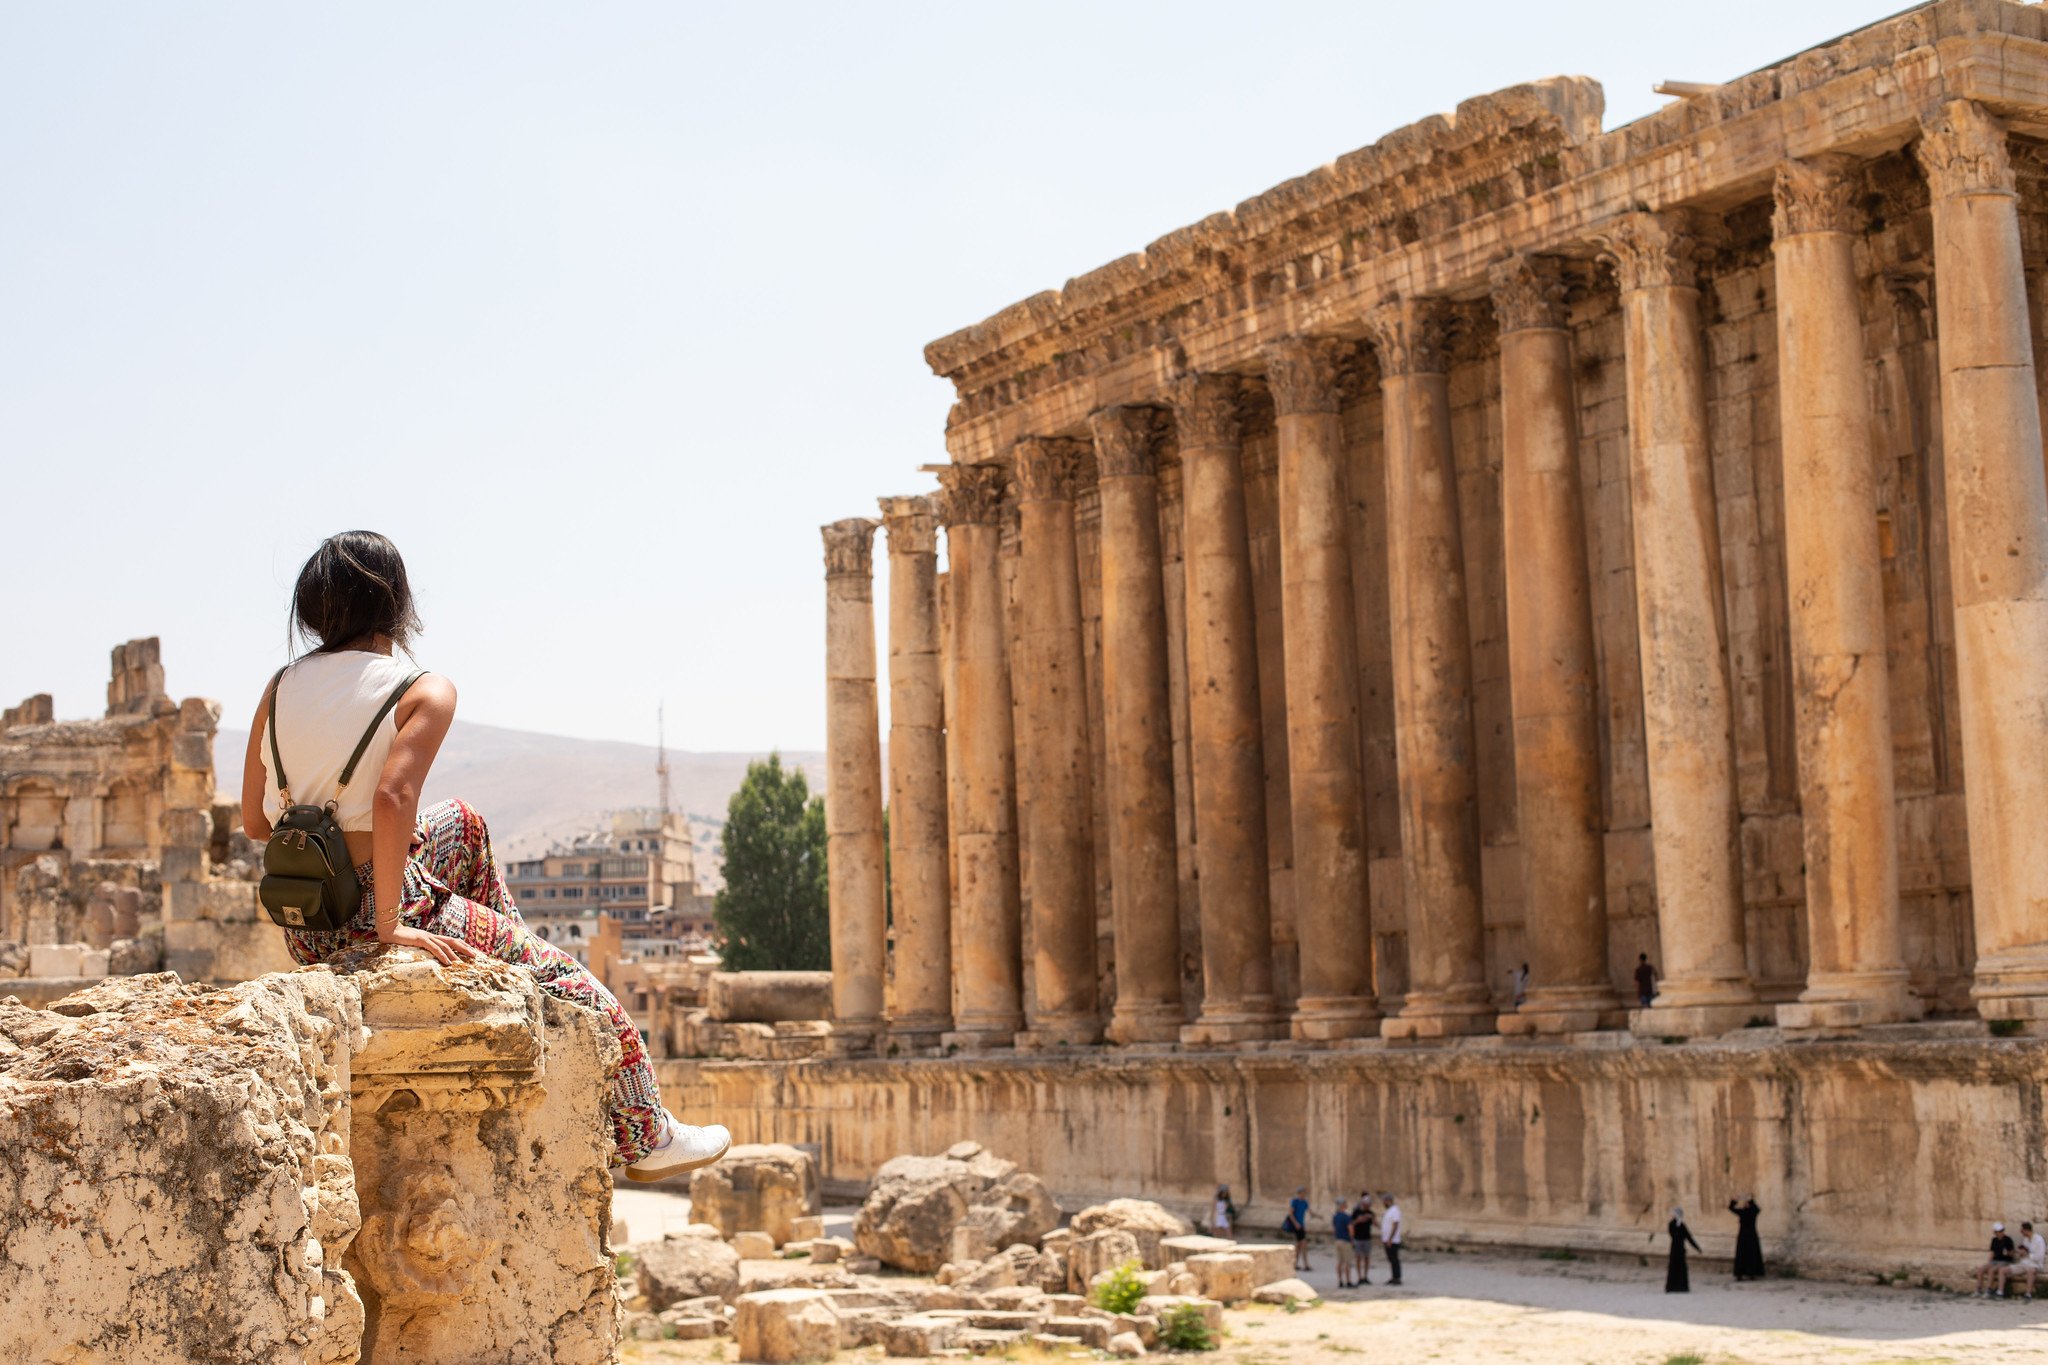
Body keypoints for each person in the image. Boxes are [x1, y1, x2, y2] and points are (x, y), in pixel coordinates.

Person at [242, 531, 730, 1183]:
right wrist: (390, 923)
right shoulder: (421, 689)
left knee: (462, 821)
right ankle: (647, 1136)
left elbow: (255, 820)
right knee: (585, 992)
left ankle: (507, 942)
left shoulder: (277, 689)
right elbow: (392, 796)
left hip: (305, 923)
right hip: (372, 912)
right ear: (396, 603)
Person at [1728, 1195, 1765, 1281]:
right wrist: (1751, 1200)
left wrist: (1735, 1201)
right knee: (1750, 1255)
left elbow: (1731, 1208)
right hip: (1751, 1236)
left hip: (1744, 1236)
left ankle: (1744, 1274)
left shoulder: (1744, 1212)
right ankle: (1750, 1274)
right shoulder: (1750, 1212)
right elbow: (1757, 1209)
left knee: (1743, 1255)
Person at [1978, 1222, 2018, 1297]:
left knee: (1991, 1270)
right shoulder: (1994, 1240)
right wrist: (1989, 1262)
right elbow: (1992, 1252)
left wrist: (2007, 1253)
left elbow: (2012, 1253)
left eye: (2001, 1231)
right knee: (1981, 1269)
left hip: (2005, 1261)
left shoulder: (2008, 1240)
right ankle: (1978, 1289)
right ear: (1995, 1232)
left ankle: (1989, 1289)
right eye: (1998, 1232)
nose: (2000, 1233)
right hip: (1995, 1261)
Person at [1666, 1208, 1701, 1292]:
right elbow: (1673, 1235)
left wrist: (1697, 1247)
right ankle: (1672, 1287)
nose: (1672, 1215)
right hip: (1674, 1249)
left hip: (1681, 1250)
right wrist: (1677, 1228)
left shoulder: (1682, 1225)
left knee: (1682, 1268)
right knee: (1673, 1268)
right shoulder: (1671, 1224)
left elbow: (1689, 1237)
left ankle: (1682, 1287)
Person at [2013, 1221, 2046, 1300]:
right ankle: (1999, 1292)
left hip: (2035, 1265)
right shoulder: (2025, 1240)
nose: (2021, 1233)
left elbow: (2039, 1257)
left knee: (2030, 1271)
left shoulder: (2039, 1240)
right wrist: (2020, 1253)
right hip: (2024, 1263)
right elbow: (2024, 1252)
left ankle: (2028, 1294)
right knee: (2003, 1270)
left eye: (2022, 1231)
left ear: (2026, 1230)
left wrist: (2027, 1254)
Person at [1331, 1193, 1357, 1288]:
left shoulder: (1335, 1216)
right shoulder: (1346, 1217)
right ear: (1342, 1205)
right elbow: (1351, 1229)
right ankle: (1348, 1281)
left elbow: (1334, 1229)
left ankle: (1340, 1281)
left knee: (1339, 1262)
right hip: (1345, 1241)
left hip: (1338, 1240)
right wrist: (1352, 1240)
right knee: (1347, 1262)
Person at [1284, 1187, 1312, 1271]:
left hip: (1301, 1225)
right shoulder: (1295, 1202)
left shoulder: (1305, 1202)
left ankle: (1295, 1264)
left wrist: (1319, 1216)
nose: (1304, 1194)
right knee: (1303, 1244)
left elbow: (1310, 1212)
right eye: (1302, 1193)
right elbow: (1290, 1213)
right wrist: (1296, 1223)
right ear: (1299, 1193)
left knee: (1299, 1246)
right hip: (1297, 1226)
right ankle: (1305, 1265)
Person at [1380, 1192, 1404, 1285]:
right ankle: (1393, 1276)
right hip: (1387, 1239)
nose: (1383, 1203)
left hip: (1392, 1240)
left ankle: (1397, 1278)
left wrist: (1390, 1238)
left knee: (1394, 1259)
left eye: (1384, 1201)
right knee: (1391, 1259)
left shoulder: (1395, 1210)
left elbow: (1395, 1225)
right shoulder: (1389, 1211)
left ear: (1388, 1201)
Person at [1352, 1193, 1376, 1286]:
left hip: (1367, 1238)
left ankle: (1365, 1276)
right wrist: (1358, 1220)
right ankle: (1359, 1277)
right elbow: (1351, 1224)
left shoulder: (1371, 1213)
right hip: (1358, 1238)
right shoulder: (1356, 1212)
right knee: (1358, 1258)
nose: (1368, 1206)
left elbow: (1375, 1224)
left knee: (1366, 1258)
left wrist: (1372, 1218)